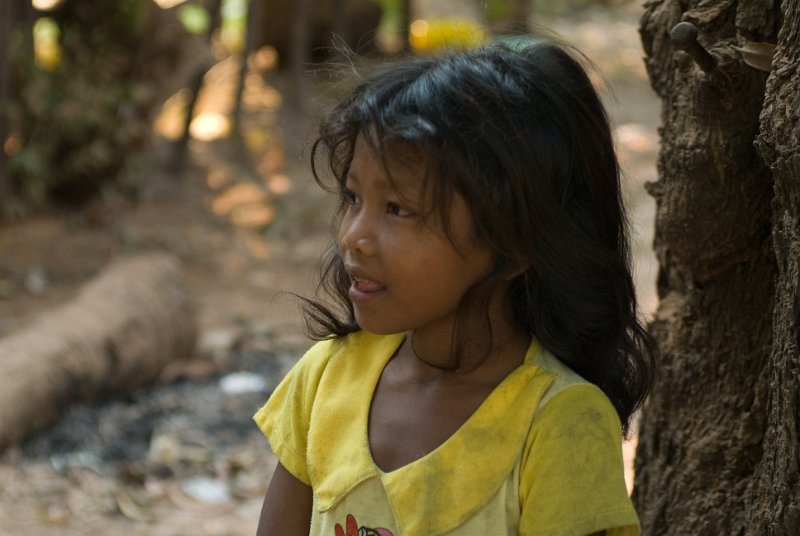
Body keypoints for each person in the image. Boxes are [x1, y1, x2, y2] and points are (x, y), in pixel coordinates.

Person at [253, 41, 656, 536]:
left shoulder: (557, 423)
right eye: (354, 197)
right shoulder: (324, 381)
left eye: (397, 208)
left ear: (514, 242)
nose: (351, 235)